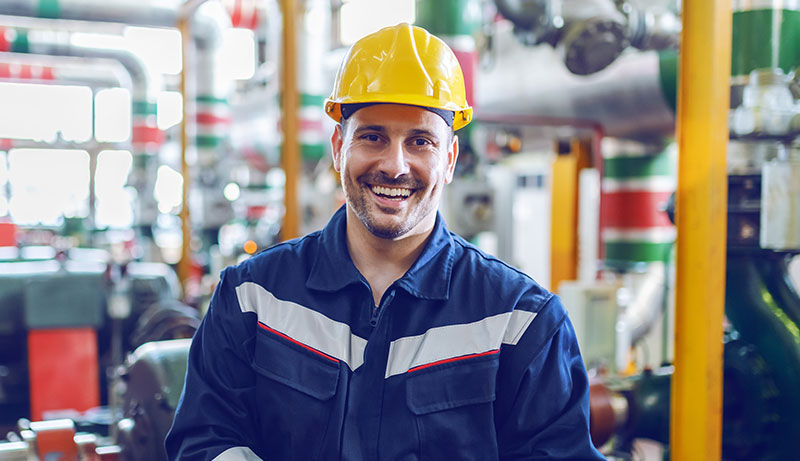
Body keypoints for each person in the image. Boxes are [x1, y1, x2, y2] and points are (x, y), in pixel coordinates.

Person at [166, 23, 604, 461]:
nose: (395, 166)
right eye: (373, 136)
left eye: (420, 141)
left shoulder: (521, 321)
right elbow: (205, 440)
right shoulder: (251, 297)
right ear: (338, 147)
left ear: (449, 160)